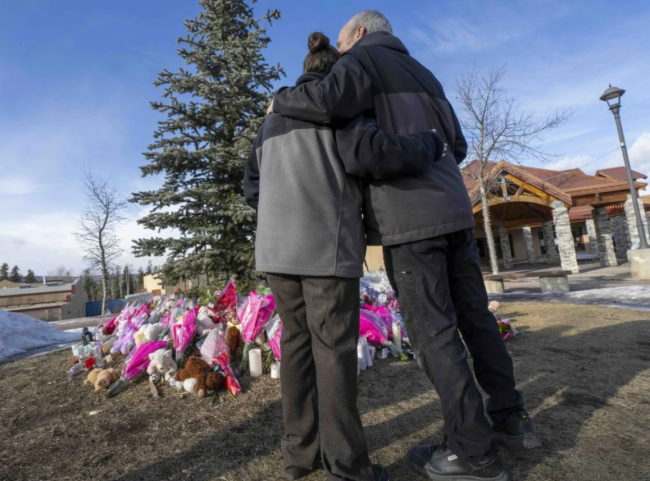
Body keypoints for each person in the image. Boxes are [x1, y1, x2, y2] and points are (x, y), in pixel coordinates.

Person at [268, 11, 541, 481]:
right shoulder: (428, 76)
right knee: (477, 321)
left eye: (342, 42)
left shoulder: (362, 64)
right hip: (456, 213)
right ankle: (510, 419)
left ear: (359, 35)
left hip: (411, 224)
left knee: (434, 334)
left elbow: (348, 132)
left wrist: (279, 101)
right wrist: (429, 148)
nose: (341, 52)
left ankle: (472, 451)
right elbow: (454, 146)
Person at [244, 32, 447, 481]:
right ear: (336, 73)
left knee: (295, 346)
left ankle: (299, 456)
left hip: (276, 251)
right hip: (326, 247)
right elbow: (366, 158)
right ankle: (348, 466)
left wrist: (279, 215)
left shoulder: (270, 120)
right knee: (333, 351)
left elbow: (251, 189)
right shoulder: (339, 110)